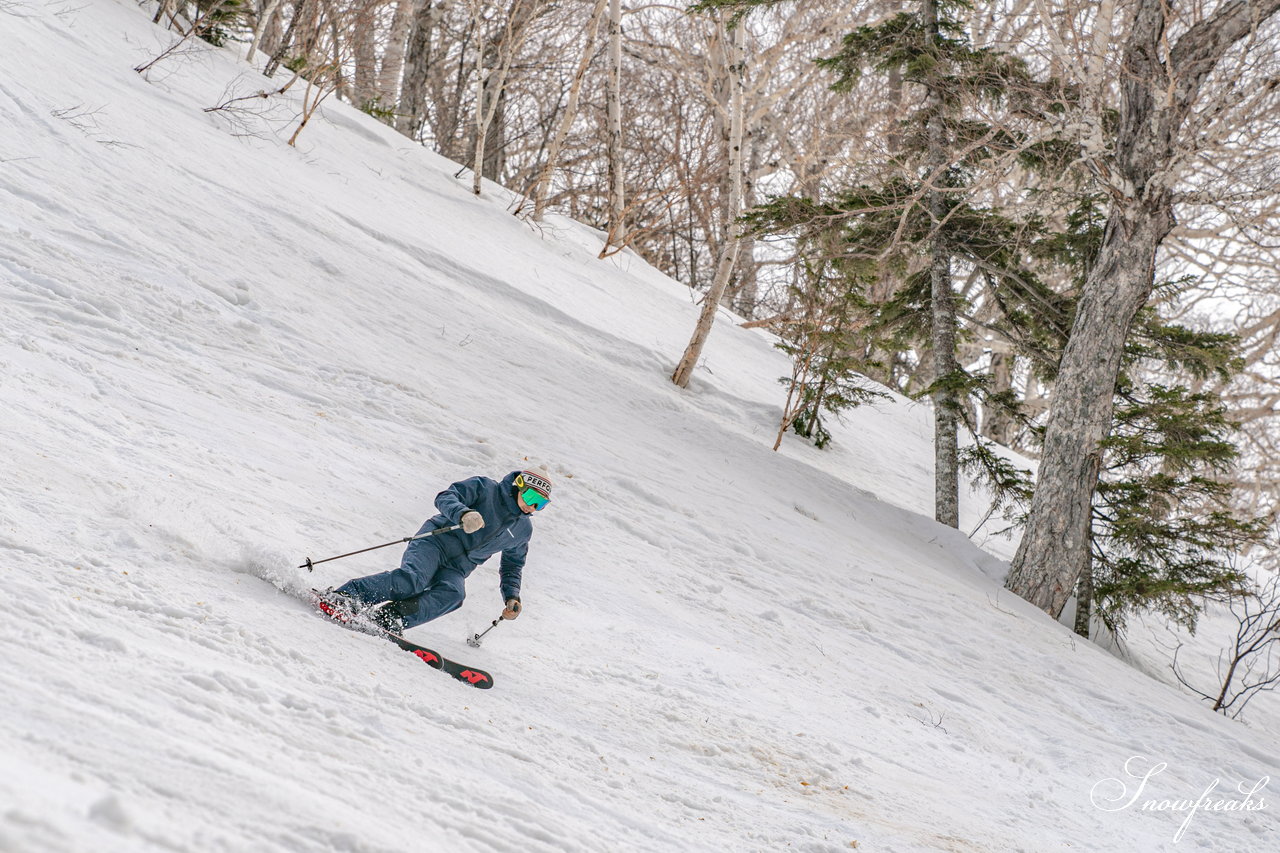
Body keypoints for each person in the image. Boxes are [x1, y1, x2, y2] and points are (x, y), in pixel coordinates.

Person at [315, 468, 552, 635]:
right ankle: (347, 596)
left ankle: (390, 618)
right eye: (531, 497)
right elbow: (446, 496)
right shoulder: (485, 488)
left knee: (453, 595)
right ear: (518, 485)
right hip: (435, 543)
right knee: (413, 581)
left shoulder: (522, 529)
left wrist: (512, 596)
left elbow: (512, 566)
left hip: (458, 567)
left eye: (539, 504)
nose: (531, 506)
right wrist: (463, 513)